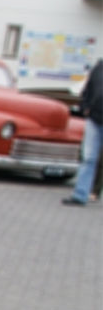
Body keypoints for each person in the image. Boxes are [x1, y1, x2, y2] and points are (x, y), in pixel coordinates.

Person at [62, 59, 101, 207]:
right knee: (88, 158)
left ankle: (90, 192)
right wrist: (85, 107)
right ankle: (80, 195)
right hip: (94, 119)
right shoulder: (99, 67)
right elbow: (88, 89)